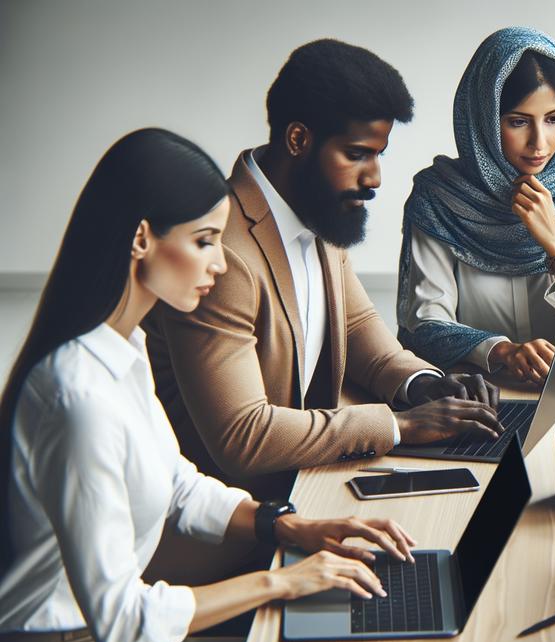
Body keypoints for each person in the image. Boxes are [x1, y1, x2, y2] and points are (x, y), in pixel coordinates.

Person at [0, 129, 413, 642]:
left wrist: (290, 527)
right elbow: (123, 619)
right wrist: (283, 581)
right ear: (141, 239)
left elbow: (178, 486)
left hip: (108, 638)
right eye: (204, 241)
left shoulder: (123, 346)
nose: (221, 263)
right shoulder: (78, 397)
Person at [145, 39, 504, 509]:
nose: (374, 176)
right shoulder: (223, 251)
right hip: (233, 523)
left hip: (308, 485)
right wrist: (401, 426)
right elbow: (242, 435)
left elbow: (358, 333)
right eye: (357, 154)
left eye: (379, 154)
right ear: (299, 140)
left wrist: (425, 385)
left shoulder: (317, 212)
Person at [398, 27, 555, 385]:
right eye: (518, 122)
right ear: (484, 120)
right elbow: (425, 325)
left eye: (554, 118)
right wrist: (501, 351)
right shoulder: (440, 198)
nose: (540, 142)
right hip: (474, 400)